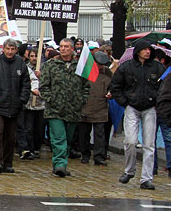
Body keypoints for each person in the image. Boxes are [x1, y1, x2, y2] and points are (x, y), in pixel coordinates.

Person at [110, 39, 165, 189]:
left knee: (149, 144)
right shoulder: (126, 67)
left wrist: (157, 102)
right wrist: (124, 102)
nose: (147, 52)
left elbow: (164, 87)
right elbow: (115, 86)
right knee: (130, 141)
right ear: (138, 51)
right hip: (132, 107)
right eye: (145, 49)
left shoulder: (157, 68)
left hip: (150, 108)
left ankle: (146, 178)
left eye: (149, 49)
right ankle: (129, 170)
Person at [39, 38, 90, 178]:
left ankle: (62, 163)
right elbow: (43, 86)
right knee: (58, 138)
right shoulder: (51, 65)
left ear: (72, 49)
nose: (63, 49)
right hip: (55, 109)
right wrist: (51, 99)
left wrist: (82, 100)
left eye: (67, 46)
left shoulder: (80, 66)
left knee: (67, 138)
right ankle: (59, 164)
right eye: (61, 46)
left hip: (73, 109)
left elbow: (86, 86)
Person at [0, 38, 31, 174]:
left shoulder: (20, 63)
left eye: (12, 49)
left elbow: (26, 83)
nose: (10, 51)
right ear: (3, 49)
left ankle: (8, 163)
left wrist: (22, 99)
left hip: (14, 106)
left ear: (16, 50)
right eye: (7, 48)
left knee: (10, 136)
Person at [78, 51, 113, 166]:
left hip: (101, 106)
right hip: (85, 106)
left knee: (100, 134)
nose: (100, 66)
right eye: (99, 64)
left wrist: (110, 93)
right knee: (84, 133)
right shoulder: (85, 71)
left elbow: (113, 86)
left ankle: (98, 156)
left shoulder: (107, 72)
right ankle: (85, 154)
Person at [22, 48, 45, 160]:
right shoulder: (25, 67)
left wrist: (41, 76)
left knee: (39, 128)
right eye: (31, 56)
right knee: (29, 127)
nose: (34, 58)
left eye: (36, 56)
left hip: (41, 104)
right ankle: (29, 148)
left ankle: (36, 147)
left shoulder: (45, 68)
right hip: (29, 103)